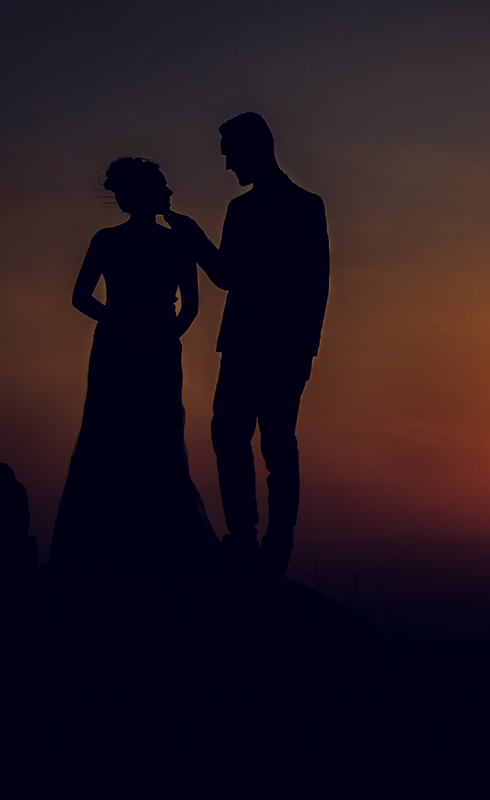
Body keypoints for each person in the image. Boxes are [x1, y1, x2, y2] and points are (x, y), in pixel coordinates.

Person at [165, 113, 330, 576]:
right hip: (241, 344)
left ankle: (276, 546)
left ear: (255, 148)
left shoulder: (306, 206)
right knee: (228, 435)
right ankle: (243, 537)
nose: (226, 166)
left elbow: (318, 283)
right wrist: (194, 238)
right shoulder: (239, 210)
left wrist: (305, 349)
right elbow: (226, 276)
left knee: (276, 445)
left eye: (230, 155)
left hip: (283, 348)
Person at [50, 158, 220, 572]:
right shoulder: (105, 241)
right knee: (109, 431)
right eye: (160, 187)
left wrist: (164, 336)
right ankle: (108, 543)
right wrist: (124, 323)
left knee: (158, 435)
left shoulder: (178, 241)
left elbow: (193, 307)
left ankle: (156, 541)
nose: (168, 193)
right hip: (116, 350)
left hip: (160, 352)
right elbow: (81, 296)